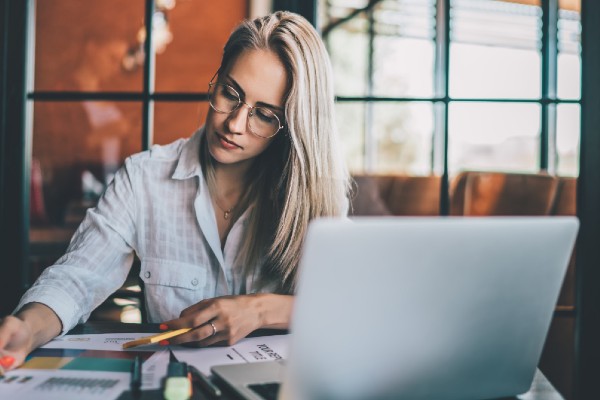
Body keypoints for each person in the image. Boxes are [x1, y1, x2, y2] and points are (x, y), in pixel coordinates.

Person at [0, 11, 349, 371]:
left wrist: (258, 310)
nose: (234, 124)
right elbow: (77, 279)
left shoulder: (318, 194)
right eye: (231, 93)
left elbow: (348, 306)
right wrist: (28, 328)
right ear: (215, 82)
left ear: (292, 126)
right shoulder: (144, 177)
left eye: (264, 114)